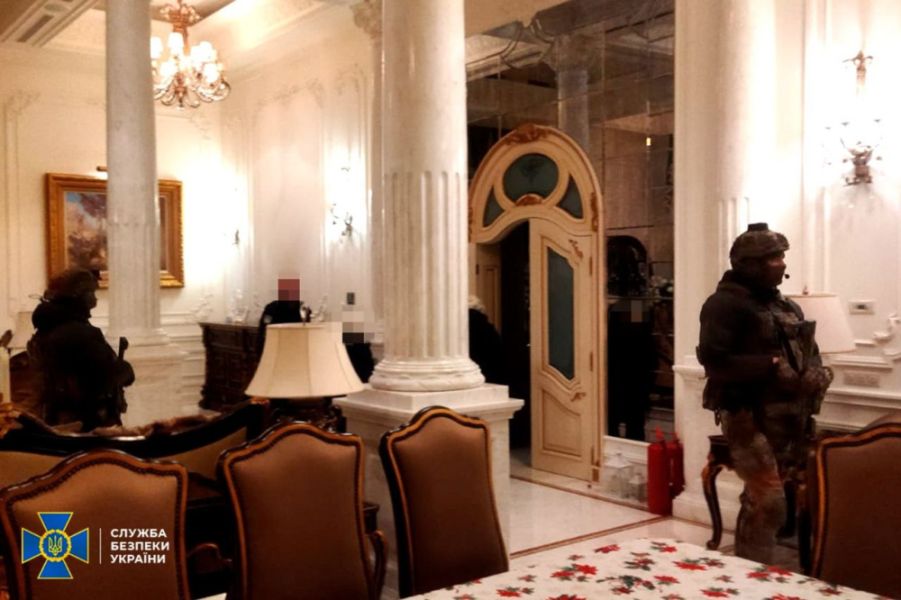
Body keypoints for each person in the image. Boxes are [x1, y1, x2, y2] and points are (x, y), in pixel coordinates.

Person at [697, 223, 832, 563]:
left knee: (767, 498)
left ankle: (755, 567)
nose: (781, 263)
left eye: (782, 256)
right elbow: (714, 361)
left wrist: (815, 372)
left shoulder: (786, 306)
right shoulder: (723, 304)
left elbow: (808, 349)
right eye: (773, 257)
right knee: (768, 499)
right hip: (746, 414)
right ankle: (750, 572)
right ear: (749, 263)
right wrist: (770, 365)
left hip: (789, 415)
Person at [28, 268, 134, 432]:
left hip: (56, 419)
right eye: (91, 292)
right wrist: (125, 370)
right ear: (79, 295)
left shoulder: (47, 329)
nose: (95, 298)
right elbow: (101, 379)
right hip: (87, 423)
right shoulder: (81, 334)